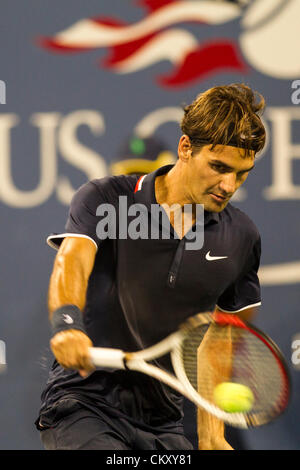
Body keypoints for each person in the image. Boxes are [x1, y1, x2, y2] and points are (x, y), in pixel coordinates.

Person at [36, 83, 266, 450]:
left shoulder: (241, 236)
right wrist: (67, 325)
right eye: (219, 167)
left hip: (164, 424)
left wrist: (211, 434)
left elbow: (217, 342)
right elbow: (72, 259)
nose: (228, 185)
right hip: (85, 406)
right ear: (186, 147)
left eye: (241, 174)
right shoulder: (106, 198)